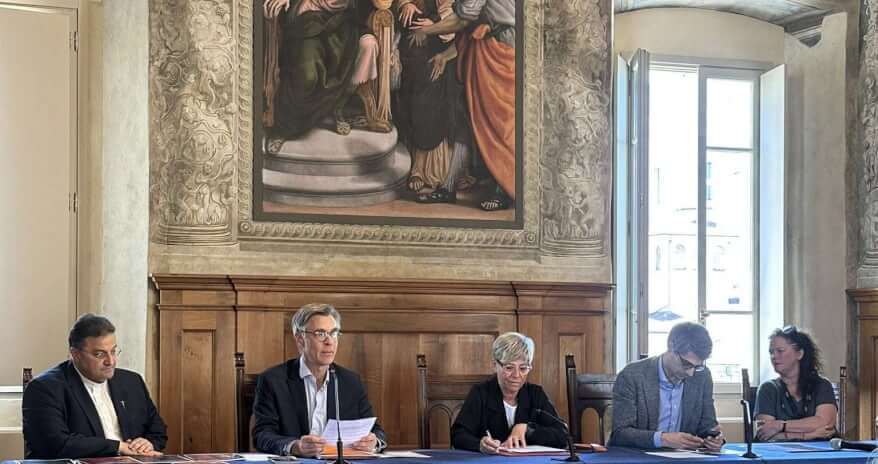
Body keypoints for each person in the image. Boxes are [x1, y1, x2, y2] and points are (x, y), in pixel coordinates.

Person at [409, 0, 516, 211]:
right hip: (484, 51)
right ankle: (448, 187)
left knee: (499, 126)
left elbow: (462, 20)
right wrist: (445, 55)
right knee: (467, 120)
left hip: (501, 56)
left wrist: (426, 30)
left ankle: (502, 190)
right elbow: (471, 29)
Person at [22, 314, 167, 459]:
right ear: (75, 354)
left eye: (113, 351)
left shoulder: (132, 381)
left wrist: (147, 444)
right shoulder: (44, 388)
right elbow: (55, 444)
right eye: (99, 354)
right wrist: (119, 447)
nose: (110, 361)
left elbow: (158, 431)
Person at [252, 303, 386, 457]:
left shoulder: (350, 382)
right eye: (320, 334)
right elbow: (262, 435)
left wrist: (374, 441)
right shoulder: (273, 381)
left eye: (334, 333)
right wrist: (295, 446)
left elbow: (375, 430)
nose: (329, 341)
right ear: (300, 340)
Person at [263, 0, 391, 137]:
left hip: (345, 22)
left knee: (368, 45)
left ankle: (339, 105)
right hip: (310, 18)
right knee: (308, 76)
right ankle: (295, 120)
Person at [609, 322, 724, 451]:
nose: (690, 373)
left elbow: (708, 426)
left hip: (684, 457)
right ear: (671, 346)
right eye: (686, 364)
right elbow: (620, 434)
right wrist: (663, 439)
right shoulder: (632, 375)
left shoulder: (702, 375)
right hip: (638, 456)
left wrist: (713, 439)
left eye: (697, 366)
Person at [451, 332, 567, 453]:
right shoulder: (480, 393)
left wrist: (527, 429)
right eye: (509, 367)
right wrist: (479, 445)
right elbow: (458, 435)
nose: (516, 375)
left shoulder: (536, 394)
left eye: (523, 368)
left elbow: (563, 434)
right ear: (495, 365)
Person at [754, 326, 837, 441]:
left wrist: (780, 426)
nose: (774, 356)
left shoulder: (822, 385)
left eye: (780, 351)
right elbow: (765, 434)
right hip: (780, 452)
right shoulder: (768, 388)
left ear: (799, 354)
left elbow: (825, 424)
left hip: (822, 450)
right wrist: (808, 435)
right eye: (771, 352)